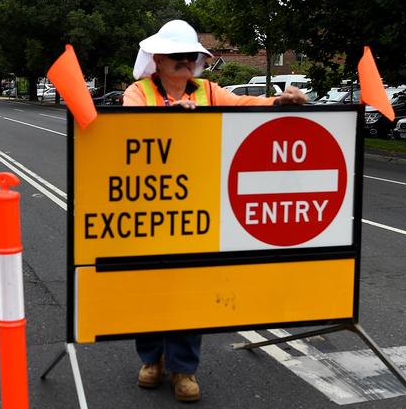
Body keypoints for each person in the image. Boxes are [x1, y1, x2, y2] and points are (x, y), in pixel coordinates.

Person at [123, 20, 306, 402]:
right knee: (151, 287)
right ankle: (152, 360)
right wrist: (172, 118)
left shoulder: (209, 90)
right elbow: (129, 131)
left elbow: (244, 103)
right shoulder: (138, 93)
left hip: (200, 205)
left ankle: (183, 369)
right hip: (151, 204)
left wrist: (278, 102)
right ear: (157, 59)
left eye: (192, 56)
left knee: (191, 288)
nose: (186, 62)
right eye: (178, 56)